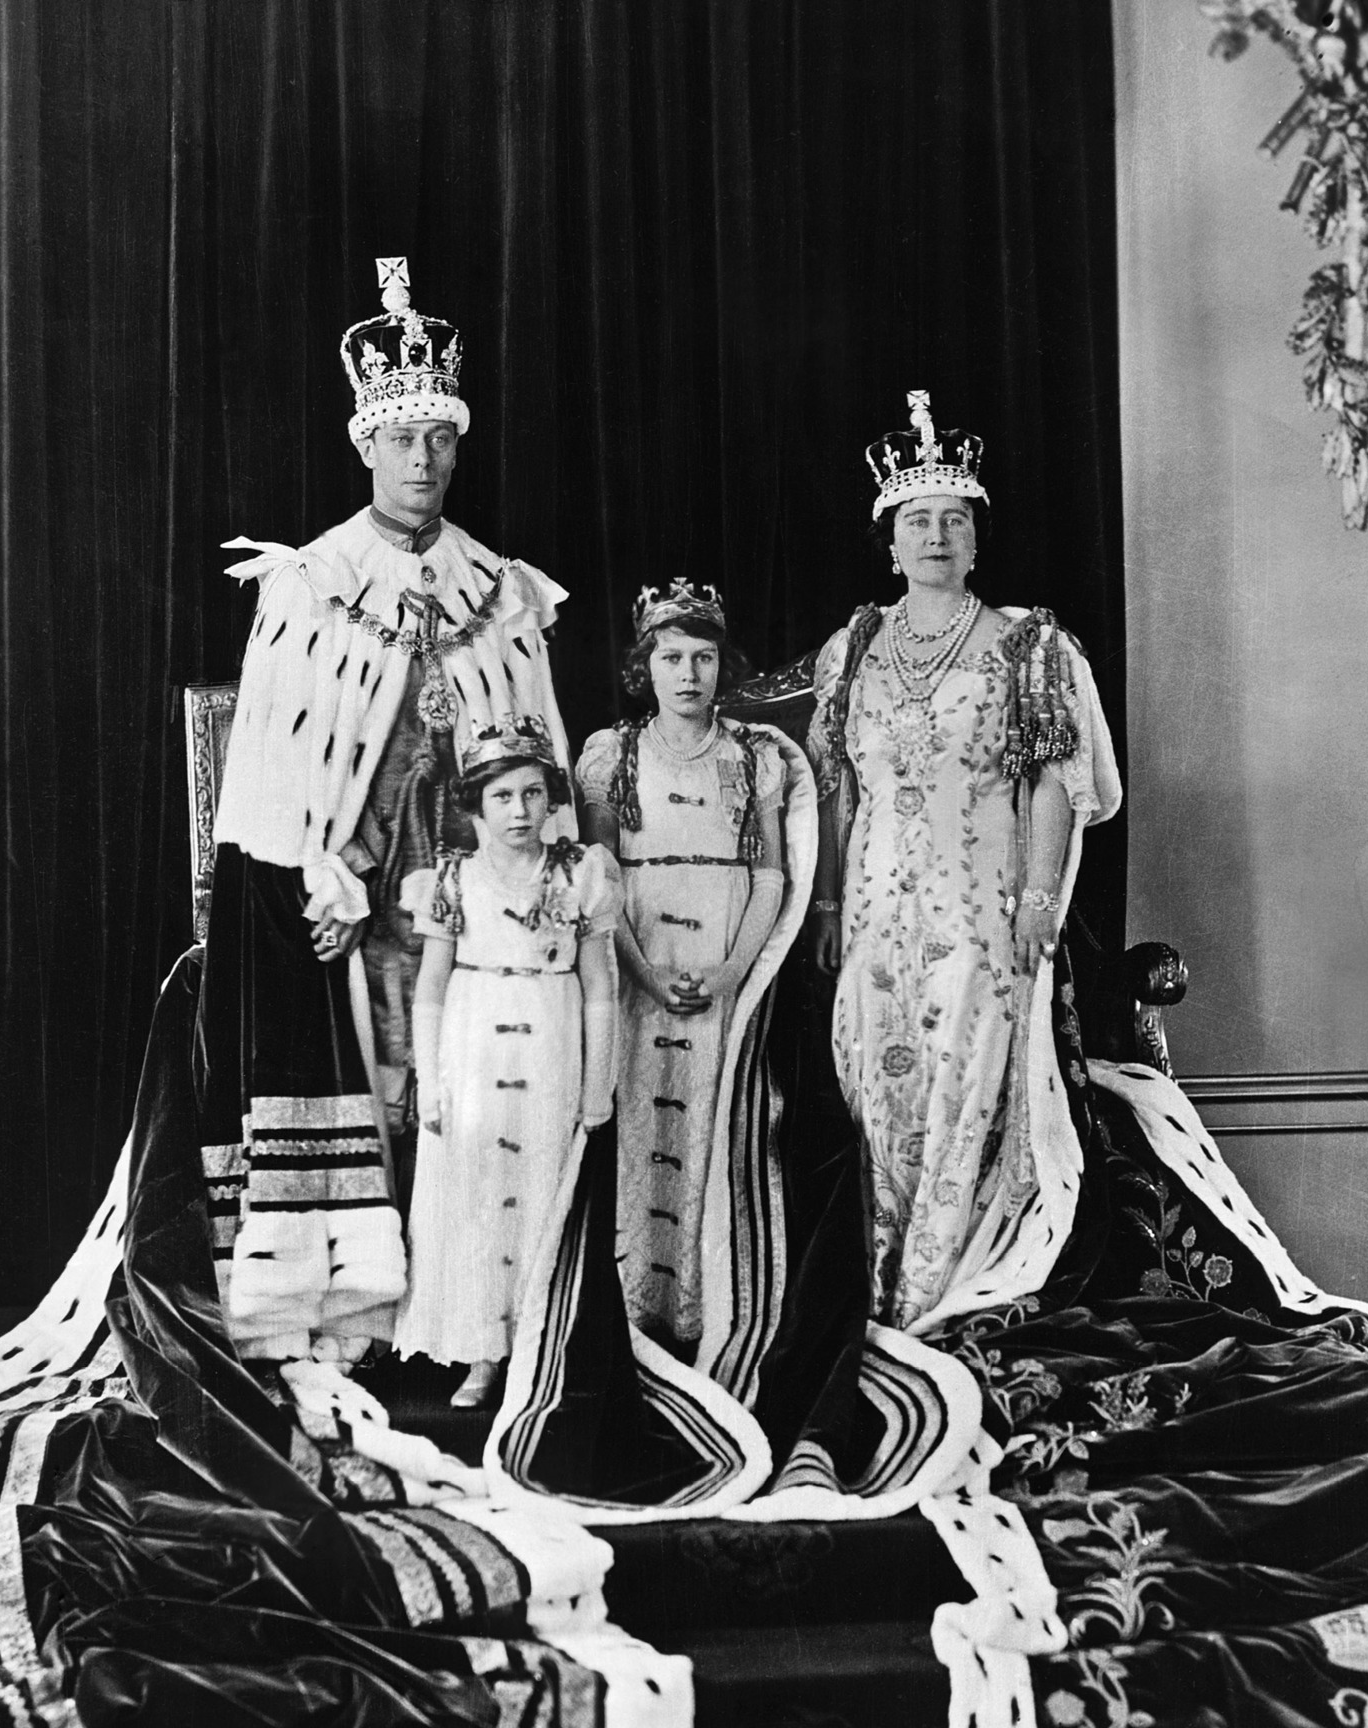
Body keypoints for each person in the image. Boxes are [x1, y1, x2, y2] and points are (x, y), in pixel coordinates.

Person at [202, 257, 573, 1369]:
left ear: (457, 447)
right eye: (402, 441)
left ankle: (471, 1322)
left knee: (466, 1092)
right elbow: (268, 775)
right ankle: (355, 1314)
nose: (422, 461)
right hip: (349, 892)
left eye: (440, 441)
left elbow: (538, 760)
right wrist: (318, 876)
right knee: (377, 1084)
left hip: (474, 887)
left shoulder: (501, 588)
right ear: (365, 444)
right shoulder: (307, 586)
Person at [806, 393, 1120, 1333]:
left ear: (976, 542)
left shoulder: (1029, 646)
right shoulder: (853, 647)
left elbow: (1054, 783)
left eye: (952, 521)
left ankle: (940, 1296)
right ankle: (875, 1284)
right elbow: (834, 791)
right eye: (916, 522)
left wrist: (1037, 900)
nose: (935, 536)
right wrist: (826, 905)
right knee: (875, 1077)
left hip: (981, 908)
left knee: (963, 1078)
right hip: (872, 916)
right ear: (888, 541)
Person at [576, 581, 790, 1346]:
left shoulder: (753, 757)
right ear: (647, 665)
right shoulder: (612, 753)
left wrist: (734, 969)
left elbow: (769, 875)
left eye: (702, 657)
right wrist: (641, 971)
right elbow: (598, 874)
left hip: (722, 955)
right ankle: (637, 1302)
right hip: (641, 961)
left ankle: (707, 1305)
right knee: (641, 1112)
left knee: (715, 1117)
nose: (688, 674)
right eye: (671, 658)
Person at [395, 719, 620, 1405]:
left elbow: (601, 989)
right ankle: (480, 1353)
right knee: (474, 1198)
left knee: (541, 1196)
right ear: (473, 806)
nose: (519, 811)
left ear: (551, 799)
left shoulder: (580, 872)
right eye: (501, 797)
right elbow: (430, 992)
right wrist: (430, 1084)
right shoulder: (451, 879)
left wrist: (597, 1087)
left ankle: (535, 1345)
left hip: (550, 1044)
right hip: (473, 1043)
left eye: (531, 794)